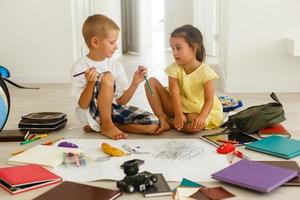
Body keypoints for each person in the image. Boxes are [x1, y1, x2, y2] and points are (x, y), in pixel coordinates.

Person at [71, 14, 160, 140]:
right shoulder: (79, 66)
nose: (116, 47)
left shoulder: (116, 66)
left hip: (111, 110)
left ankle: (104, 126)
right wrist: (90, 83)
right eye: (112, 42)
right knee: (107, 77)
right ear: (95, 42)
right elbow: (83, 105)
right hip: (91, 113)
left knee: (153, 124)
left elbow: (121, 101)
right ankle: (106, 124)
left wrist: (135, 83)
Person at [145, 24, 223, 133]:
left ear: (194, 47)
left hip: (200, 110)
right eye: (172, 48)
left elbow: (209, 100)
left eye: (178, 48)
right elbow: (174, 91)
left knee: (192, 125)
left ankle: (170, 122)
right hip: (178, 105)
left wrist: (202, 117)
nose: (174, 53)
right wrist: (178, 114)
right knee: (150, 82)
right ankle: (162, 118)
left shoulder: (206, 72)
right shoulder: (174, 68)